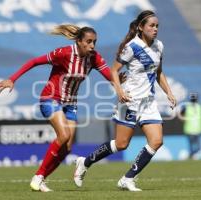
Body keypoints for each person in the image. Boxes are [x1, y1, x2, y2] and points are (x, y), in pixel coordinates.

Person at [0, 24, 113, 192]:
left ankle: (41, 179)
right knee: (64, 135)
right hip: (51, 98)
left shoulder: (94, 58)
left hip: (70, 104)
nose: (92, 45)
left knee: (67, 148)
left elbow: (110, 76)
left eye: (95, 42)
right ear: (79, 41)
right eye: (89, 41)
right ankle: (39, 176)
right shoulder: (64, 53)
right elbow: (35, 61)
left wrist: (122, 81)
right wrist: (12, 79)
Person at [73, 10, 176, 192]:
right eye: (151, 25)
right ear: (141, 27)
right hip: (129, 99)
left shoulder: (159, 46)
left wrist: (169, 92)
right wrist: (119, 91)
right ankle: (85, 161)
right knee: (121, 144)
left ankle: (128, 179)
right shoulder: (132, 46)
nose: (155, 29)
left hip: (148, 102)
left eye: (157, 26)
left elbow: (158, 72)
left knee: (157, 141)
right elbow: (114, 71)